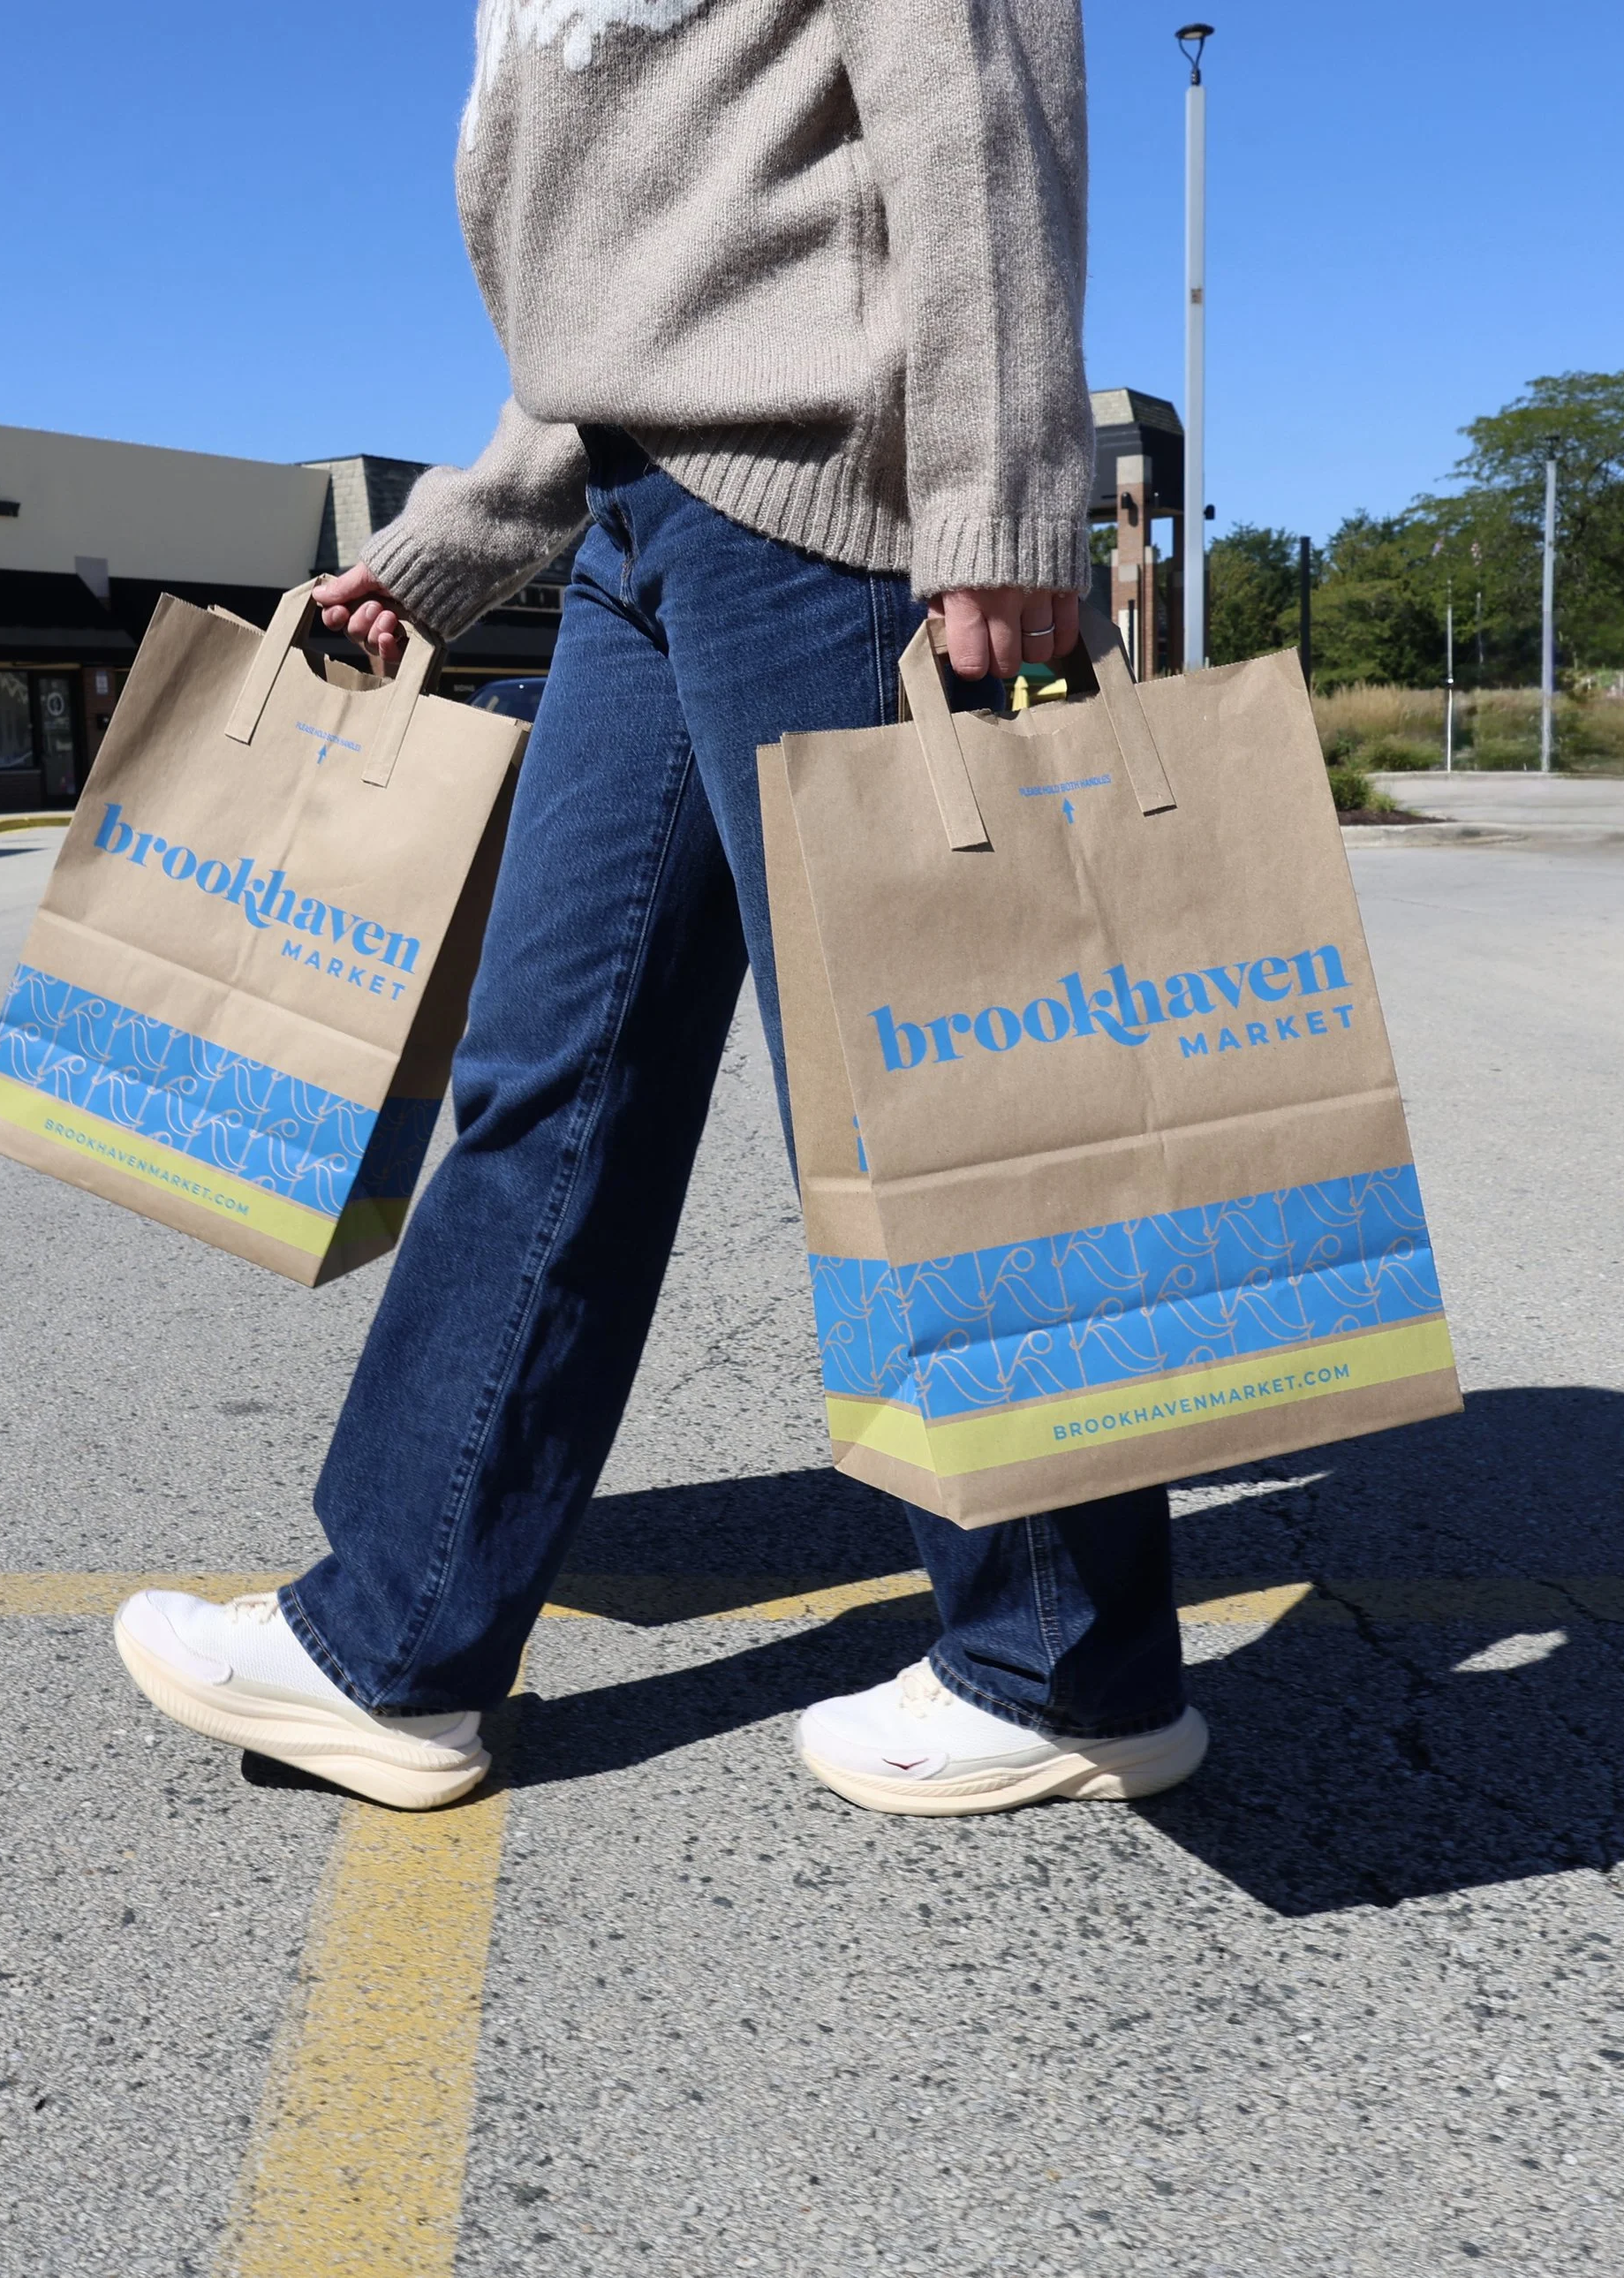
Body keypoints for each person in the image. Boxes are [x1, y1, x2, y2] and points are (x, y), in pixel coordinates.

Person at [113, 0, 1206, 1816]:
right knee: (550, 1073)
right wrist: (450, 547)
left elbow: (977, 92)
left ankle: (1063, 1656)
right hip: (638, 513)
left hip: (833, 511)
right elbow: (640, 288)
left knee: (925, 1099)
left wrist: (1002, 495)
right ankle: (394, 1647)